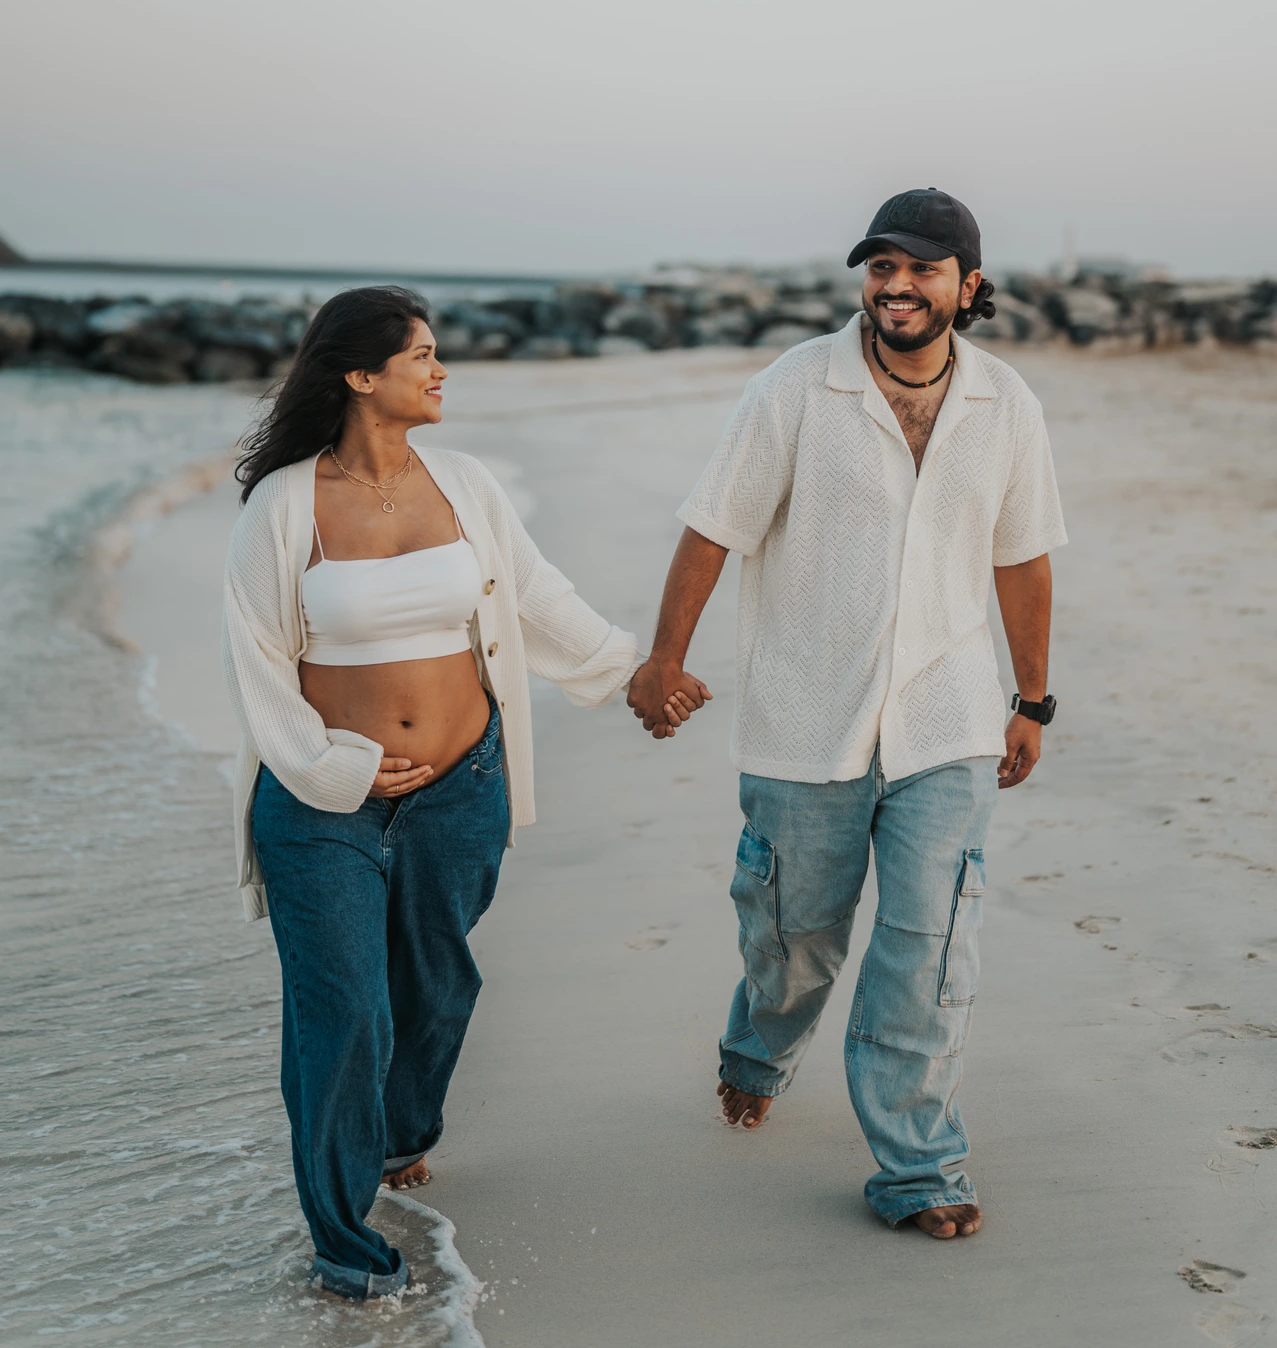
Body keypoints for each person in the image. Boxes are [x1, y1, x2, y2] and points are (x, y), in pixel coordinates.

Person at [628, 188, 1066, 1240]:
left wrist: (1031, 701)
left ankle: (920, 1171)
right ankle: (756, 1051)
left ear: (966, 286)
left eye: (919, 270)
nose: (896, 286)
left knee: (926, 947)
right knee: (794, 944)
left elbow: (1022, 558)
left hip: (948, 721)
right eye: (880, 267)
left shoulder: (1006, 405)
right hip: (802, 719)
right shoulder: (795, 387)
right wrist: (661, 663)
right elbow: (711, 530)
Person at [222, 286, 645, 1299]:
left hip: (462, 790)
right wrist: (340, 767)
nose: (438, 368)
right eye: (419, 355)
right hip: (322, 806)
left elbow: (533, 596)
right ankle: (345, 1246)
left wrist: (630, 670)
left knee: (437, 988)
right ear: (358, 375)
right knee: (344, 1015)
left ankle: (402, 1130)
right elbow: (256, 670)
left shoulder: (464, 483)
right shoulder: (283, 504)